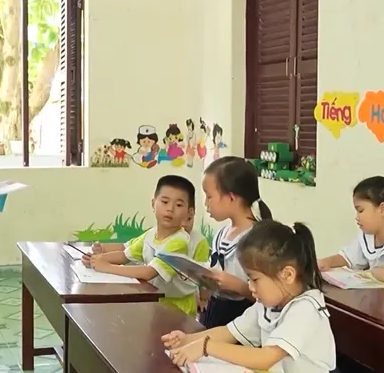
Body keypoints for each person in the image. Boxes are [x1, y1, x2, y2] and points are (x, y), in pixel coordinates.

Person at [162, 220, 336, 373]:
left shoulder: (306, 309)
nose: (250, 287)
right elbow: (230, 332)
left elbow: (266, 357)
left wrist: (206, 346)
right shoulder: (268, 304)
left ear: (287, 275)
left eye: (255, 279)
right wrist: (188, 340)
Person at [84, 175, 204, 315]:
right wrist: (97, 259)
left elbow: (148, 272)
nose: (170, 209)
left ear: (189, 212)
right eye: (165, 202)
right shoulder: (150, 234)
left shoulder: (179, 241)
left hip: (179, 306)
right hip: (156, 299)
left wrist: (107, 267)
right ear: (153, 204)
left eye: (178, 205)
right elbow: (124, 255)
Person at [199, 156, 272, 328]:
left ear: (231, 198)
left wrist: (238, 287)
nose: (206, 203)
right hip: (214, 312)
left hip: (243, 318)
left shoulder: (257, 238)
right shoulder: (221, 234)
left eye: (209, 196)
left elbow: (269, 296)